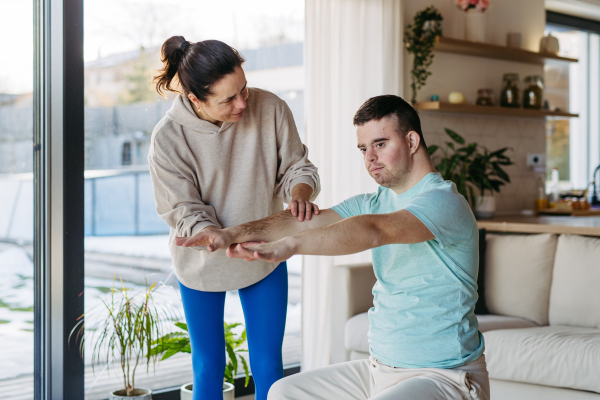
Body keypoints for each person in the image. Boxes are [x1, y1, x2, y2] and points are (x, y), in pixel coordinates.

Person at [178, 95, 489, 400]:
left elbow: (373, 230)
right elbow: (303, 221)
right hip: (378, 371)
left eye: (380, 144)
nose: (370, 158)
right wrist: (230, 234)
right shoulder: (373, 202)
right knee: (284, 392)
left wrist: (289, 247)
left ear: (410, 141)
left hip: (445, 376)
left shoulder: (445, 202)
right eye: (363, 148)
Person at [148, 36, 320, 400]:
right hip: (202, 260)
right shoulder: (168, 138)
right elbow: (181, 207)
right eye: (228, 99)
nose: (243, 102)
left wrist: (300, 192)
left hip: (263, 253)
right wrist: (210, 233)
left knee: (268, 364)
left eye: (243, 88)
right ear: (195, 98)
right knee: (208, 366)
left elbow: (295, 166)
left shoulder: (270, 107)